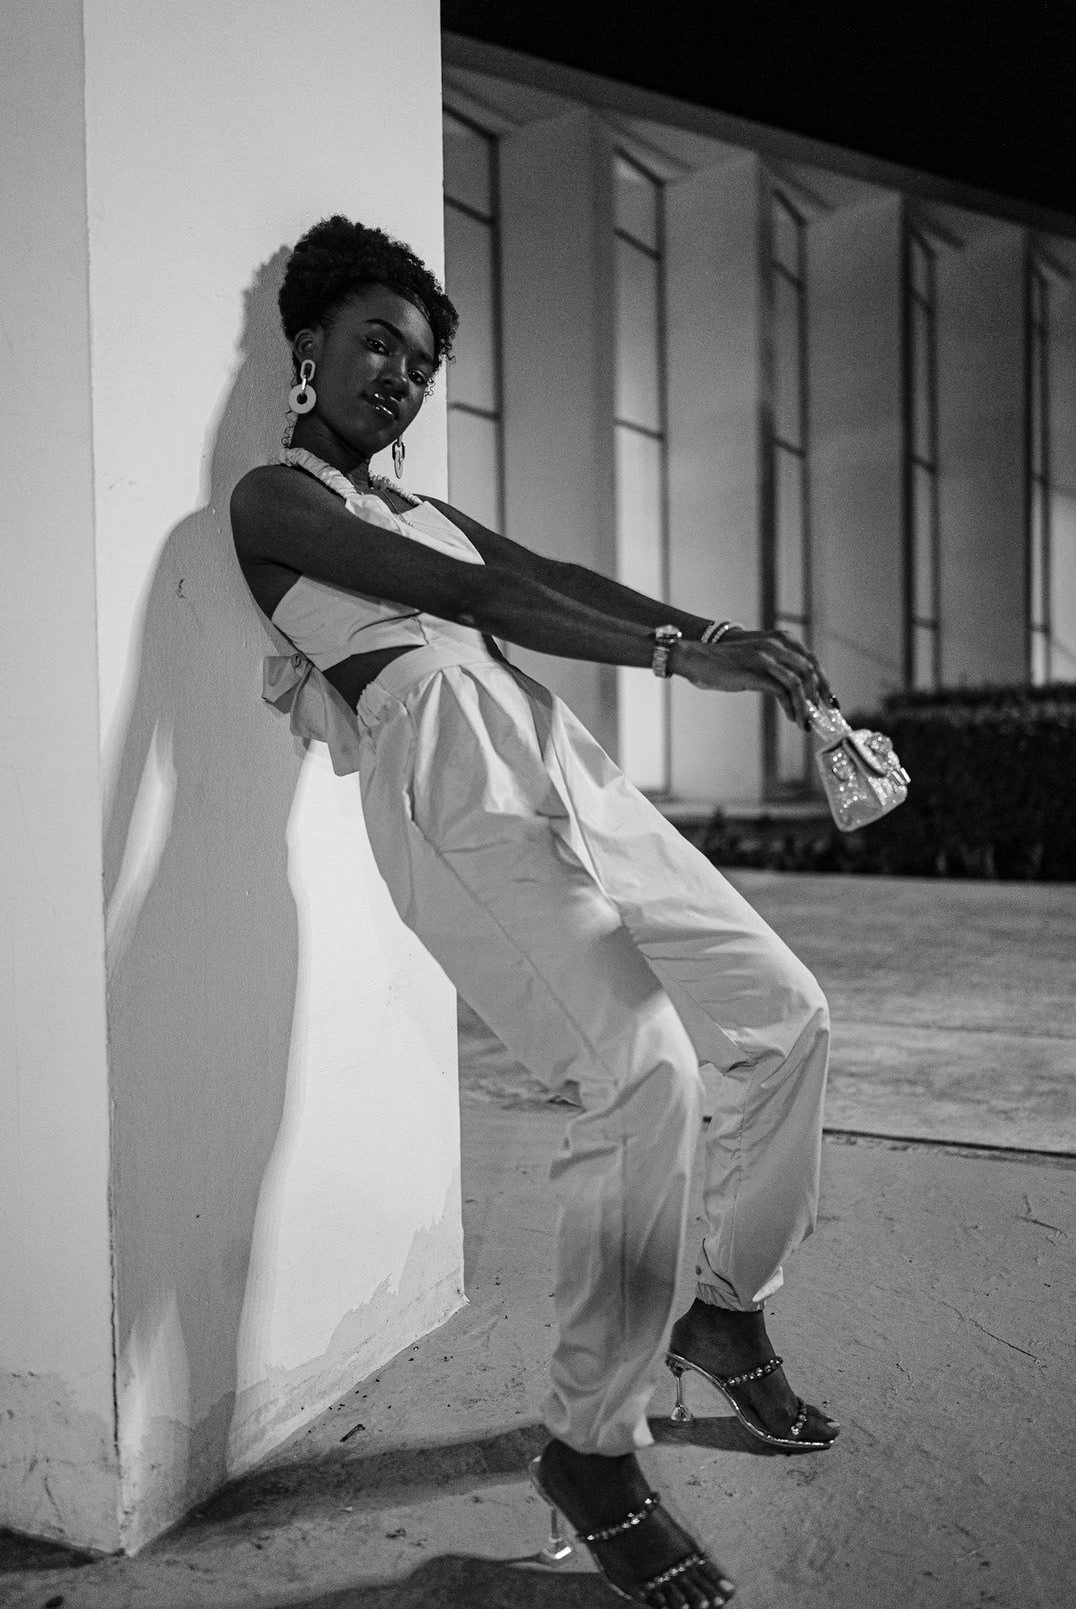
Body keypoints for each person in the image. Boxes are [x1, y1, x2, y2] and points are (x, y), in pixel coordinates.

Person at [231, 215, 839, 1609]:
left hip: (554, 752)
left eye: (423, 359)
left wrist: (726, 639)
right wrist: (685, 655)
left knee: (788, 1015)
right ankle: (590, 1449)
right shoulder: (274, 504)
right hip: (447, 770)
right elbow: (468, 595)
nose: (400, 372)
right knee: (646, 1076)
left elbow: (547, 581)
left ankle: (727, 1308)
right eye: (376, 340)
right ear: (308, 347)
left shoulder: (423, 501)